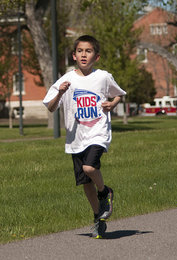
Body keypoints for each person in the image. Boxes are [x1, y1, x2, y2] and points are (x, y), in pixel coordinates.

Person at [43, 35, 126, 238]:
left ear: (96, 57)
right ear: (74, 55)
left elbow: (119, 94)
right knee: (85, 182)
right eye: (80, 51)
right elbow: (51, 108)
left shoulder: (103, 77)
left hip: (97, 133)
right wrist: (60, 94)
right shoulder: (66, 80)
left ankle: (105, 191)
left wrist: (112, 104)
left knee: (90, 168)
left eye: (88, 51)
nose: (83, 54)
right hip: (75, 139)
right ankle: (98, 215)